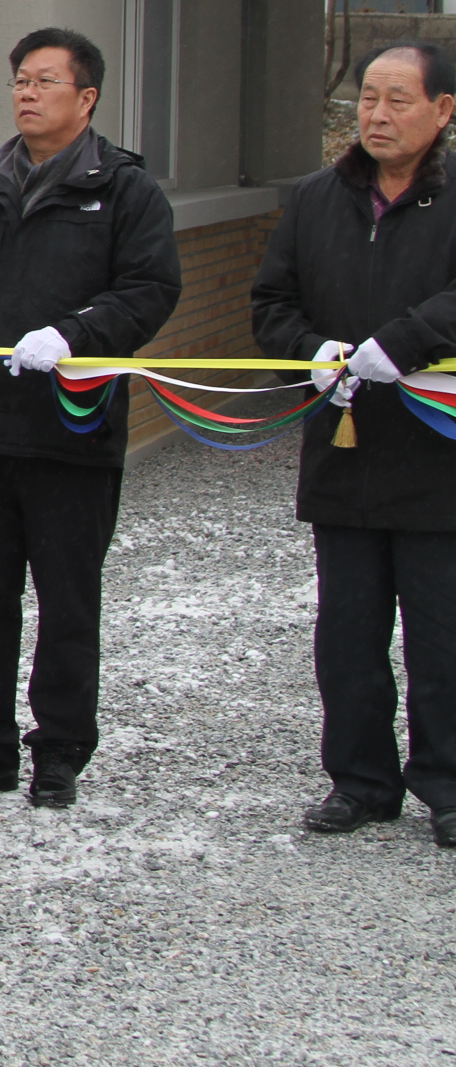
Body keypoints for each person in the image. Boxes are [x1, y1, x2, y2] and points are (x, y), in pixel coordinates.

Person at [0, 28, 179, 808]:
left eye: (45, 81)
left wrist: (76, 334)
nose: (27, 94)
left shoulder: (125, 192)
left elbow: (150, 289)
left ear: (86, 98)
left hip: (72, 433)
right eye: (20, 81)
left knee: (66, 604)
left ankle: (59, 751)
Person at [252, 42, 456, 846]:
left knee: (441, 636)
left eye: (399, 99)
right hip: (343, 450)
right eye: (369, 97)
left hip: (438, 458)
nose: (378, 114)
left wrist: (401, 343)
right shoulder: (316, 199)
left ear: (443, 110)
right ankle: (362, 781)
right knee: (347, 635)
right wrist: (310, 352)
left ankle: (447, 784)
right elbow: (271, 303)